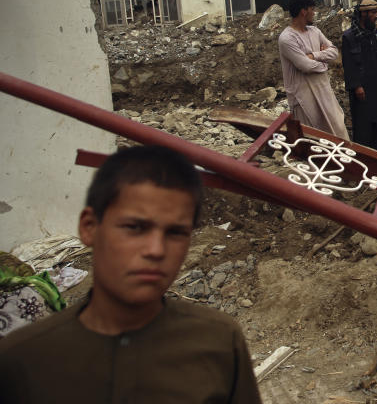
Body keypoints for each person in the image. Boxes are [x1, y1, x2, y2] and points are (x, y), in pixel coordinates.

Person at [0, 146, 261, 403]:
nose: (156, 250)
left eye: (175, 233)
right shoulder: (22, 360)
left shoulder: (219, 342)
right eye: (135, 227)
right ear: (89, 227)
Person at [278, 0, 348, 140]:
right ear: (303, 11)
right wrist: (324, 60)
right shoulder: (287, 38)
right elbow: (305, 65)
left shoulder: (315, 31)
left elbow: (334, 52)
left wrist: (315, 55)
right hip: (303, 96)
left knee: (337, 129)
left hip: (323, 90)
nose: (314, 13)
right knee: (312, 137)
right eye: (312, 9)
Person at [342, 0, 377, 152]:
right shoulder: (349, 37)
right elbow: (348, 64)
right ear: (363, 14)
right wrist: (356, 86)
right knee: (364, 126)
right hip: (362, 89)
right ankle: (365, 159)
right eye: (373, 13)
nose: (376, 16)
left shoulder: (375, 34)